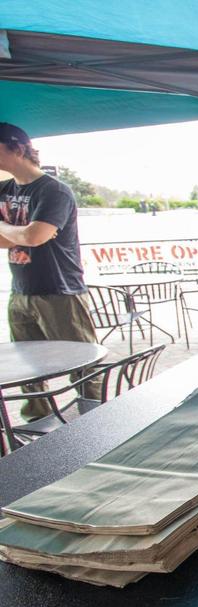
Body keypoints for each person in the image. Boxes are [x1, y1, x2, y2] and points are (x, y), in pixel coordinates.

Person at [0, 123, 101, 420]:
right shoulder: (4, 189)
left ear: (17, 149)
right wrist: (21, 232)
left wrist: (10, 230)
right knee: (27, 366)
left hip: (61, 291)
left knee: (84, 364)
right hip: (20, 292)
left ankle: (96, 421)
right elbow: (28, 235)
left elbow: (35, 237)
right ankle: (38, 422)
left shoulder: (54, 190)